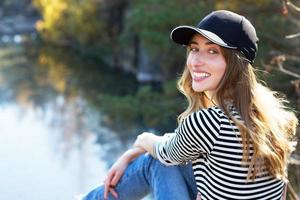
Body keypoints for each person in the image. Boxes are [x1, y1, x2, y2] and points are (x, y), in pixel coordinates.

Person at [82, 10, 298, 200]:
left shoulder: (209, 123)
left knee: (155, 161)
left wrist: (138, 144)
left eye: (212, 51)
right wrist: (133, 153)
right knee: (168, 158)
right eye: (194, 49)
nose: (195, 61)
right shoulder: (278, 120)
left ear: (236, 64)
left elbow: (164, 153)